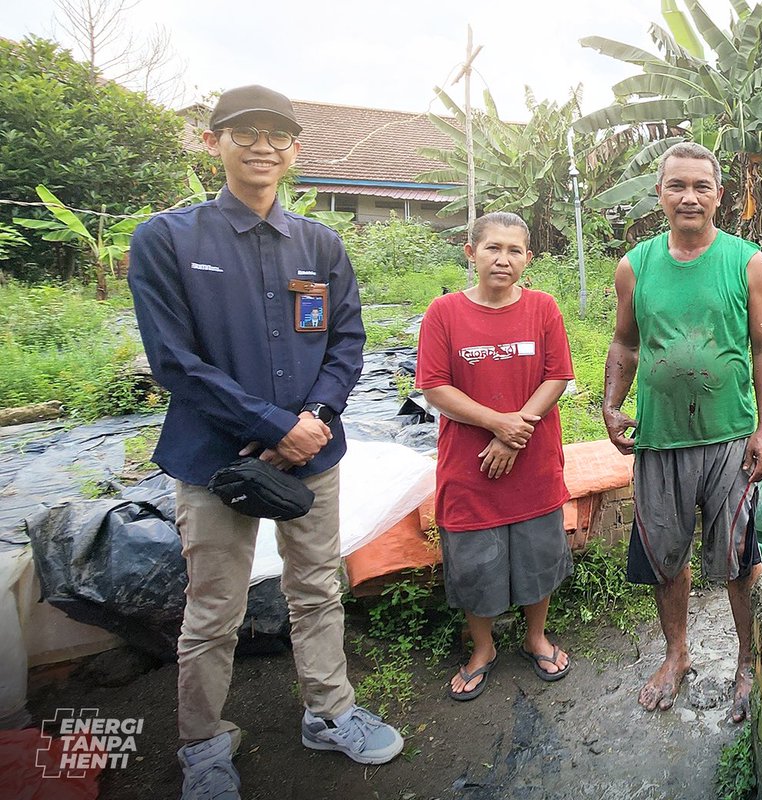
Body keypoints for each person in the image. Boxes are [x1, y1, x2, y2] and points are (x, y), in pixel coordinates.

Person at [128, 85, 403, 800]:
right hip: (214, 460)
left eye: (277, 134)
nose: (261, 145)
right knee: (213, 606)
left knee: (315, 588)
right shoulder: (168, 239)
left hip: (315, 454)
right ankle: (203, 742)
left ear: (295, 152)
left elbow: (346, 341)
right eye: (243, 131)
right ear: (212, 142)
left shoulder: (319, 244)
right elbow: (174, 361)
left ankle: (329, 711)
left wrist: (311, 418)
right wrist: (271, 426)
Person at [602, 141, 762, 723]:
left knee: (736, 559)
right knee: (665, 558)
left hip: (730, 438)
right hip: (660, 441)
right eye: (677, 185)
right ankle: (677, 655)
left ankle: (747, 663)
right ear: (660, 194)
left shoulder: (746, 261)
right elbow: (625, 343)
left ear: (718, 196)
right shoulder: (636, 265)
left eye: (701, 186)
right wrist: (610, 404)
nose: (689, 196)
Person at [415, 211, 575, 701]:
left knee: (537, 554)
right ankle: (482, 647)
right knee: (473, 560)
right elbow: (435, 387)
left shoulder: (543, 308)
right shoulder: (443, 313)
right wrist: (495, 423)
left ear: (528, 259)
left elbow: (558, 377)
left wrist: (511, 433)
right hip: (470, 465)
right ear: (471, 253)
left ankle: (535, 637)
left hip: (532, 460)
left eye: (513, 251)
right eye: (492, 248)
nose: (502, 259)